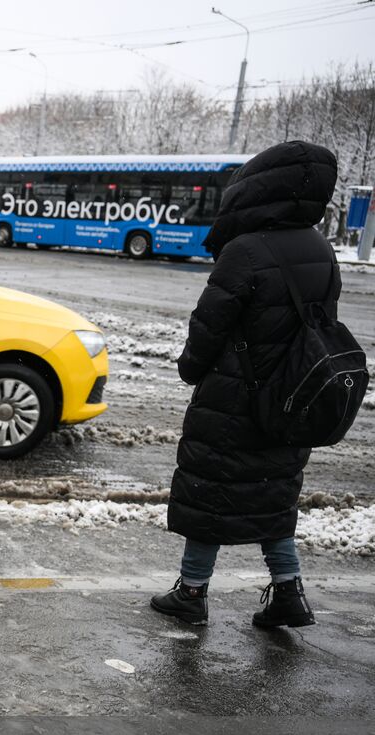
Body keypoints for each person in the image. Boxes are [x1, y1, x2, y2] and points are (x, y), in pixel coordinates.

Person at [151, 141, 339, 629]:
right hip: (293, 400)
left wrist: (191, 369)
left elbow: (208, 327)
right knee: (272, 493)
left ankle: (191, 592)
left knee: (209, 489)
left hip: (233, 400)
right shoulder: (322, 249)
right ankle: (288, 593)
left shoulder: (245, 250)